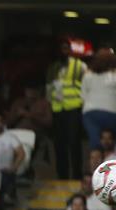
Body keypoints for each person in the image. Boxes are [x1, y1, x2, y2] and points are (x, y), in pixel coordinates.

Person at [46, 39, 85, 179]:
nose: (64, 51)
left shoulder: (79, 66)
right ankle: (62, 176)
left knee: (74, 143)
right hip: (58, 109)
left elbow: (86, 85)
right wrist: (50, 106)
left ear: (70, 50)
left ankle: (77, 175)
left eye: (66, 48)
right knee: (59, 144)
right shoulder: (53, 67)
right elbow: (49, 89)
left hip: (74, 108)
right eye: (62, 48)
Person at [81, 48, 116, 150]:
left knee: (95, 145)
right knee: (111, 145)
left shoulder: (88, 75)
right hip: (112, 113)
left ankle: (96, 158)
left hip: (91, 114)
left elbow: (83, 96)